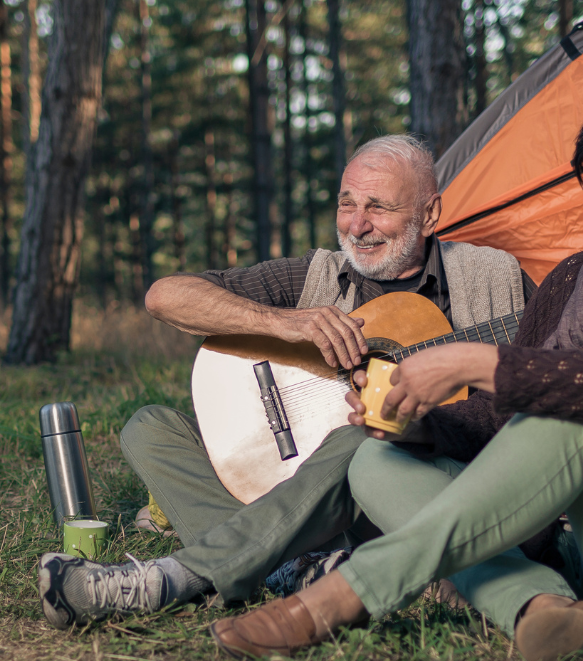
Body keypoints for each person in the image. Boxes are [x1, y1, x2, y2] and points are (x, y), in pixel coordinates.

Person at [208, 84, 583, 661]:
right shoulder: (573, 280)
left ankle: (346, 594)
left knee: (577, 415)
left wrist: (479, 362)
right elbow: (505, 417)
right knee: (374, 461)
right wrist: (421, 429)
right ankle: (542, 608)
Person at [37, 134, 532, 629]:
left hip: (398, 485)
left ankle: (175, 577)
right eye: (347, 203)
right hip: (293, 484)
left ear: (429, 214)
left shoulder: (495, 280)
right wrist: (284, 323)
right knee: (150, 426)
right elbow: (165, 297)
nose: (357, 225)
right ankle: (286, 568)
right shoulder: (317, 275)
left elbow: (550, 372)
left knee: (368, 426)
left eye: (378, 208)